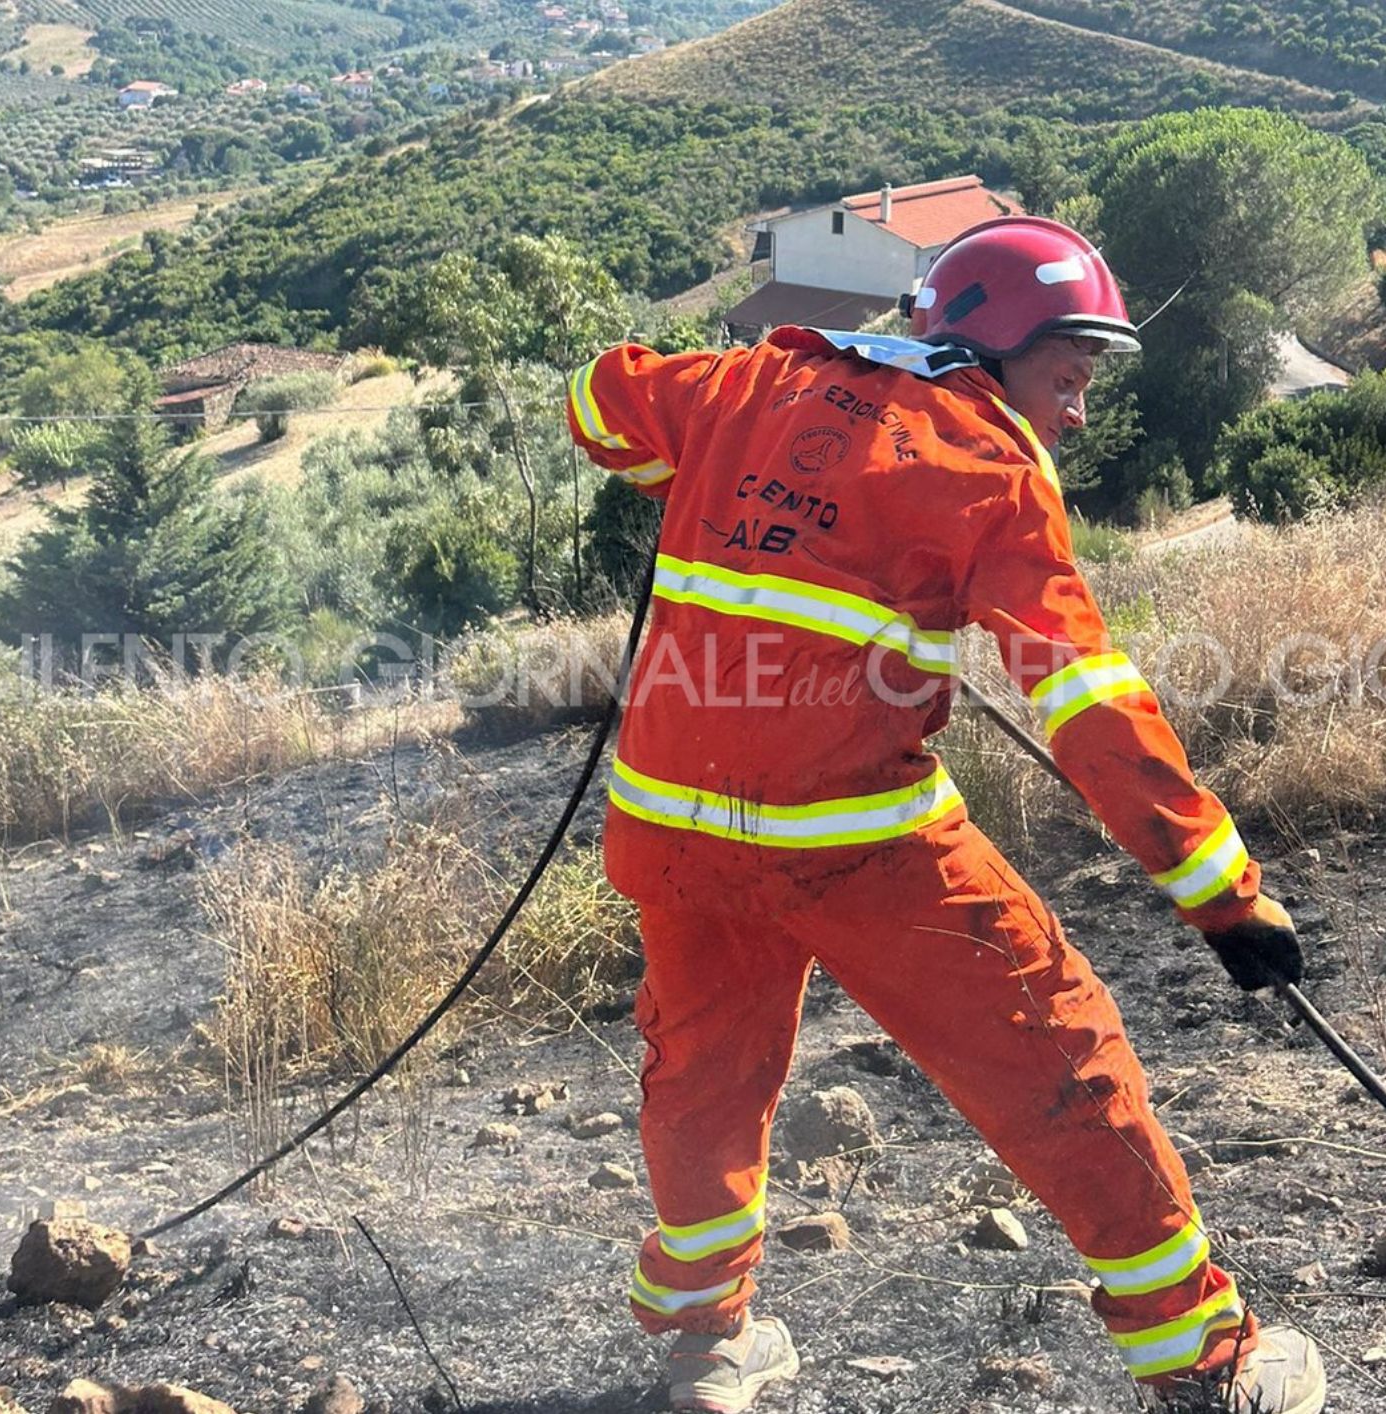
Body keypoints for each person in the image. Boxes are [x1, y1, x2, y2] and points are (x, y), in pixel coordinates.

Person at [565, 215, 1325, 1414]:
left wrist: (698, 443)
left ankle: (704, 1349)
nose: (1075, 410)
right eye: (1067, 377)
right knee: (1056, 1050)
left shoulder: (756, 374)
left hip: (671, 834)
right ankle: (1202, 1357)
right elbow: (1086, 699)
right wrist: (1219, 894)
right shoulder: (989, 468)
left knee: (702, 1078)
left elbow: (599, 404)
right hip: (851, 846)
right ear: (1003, 343)